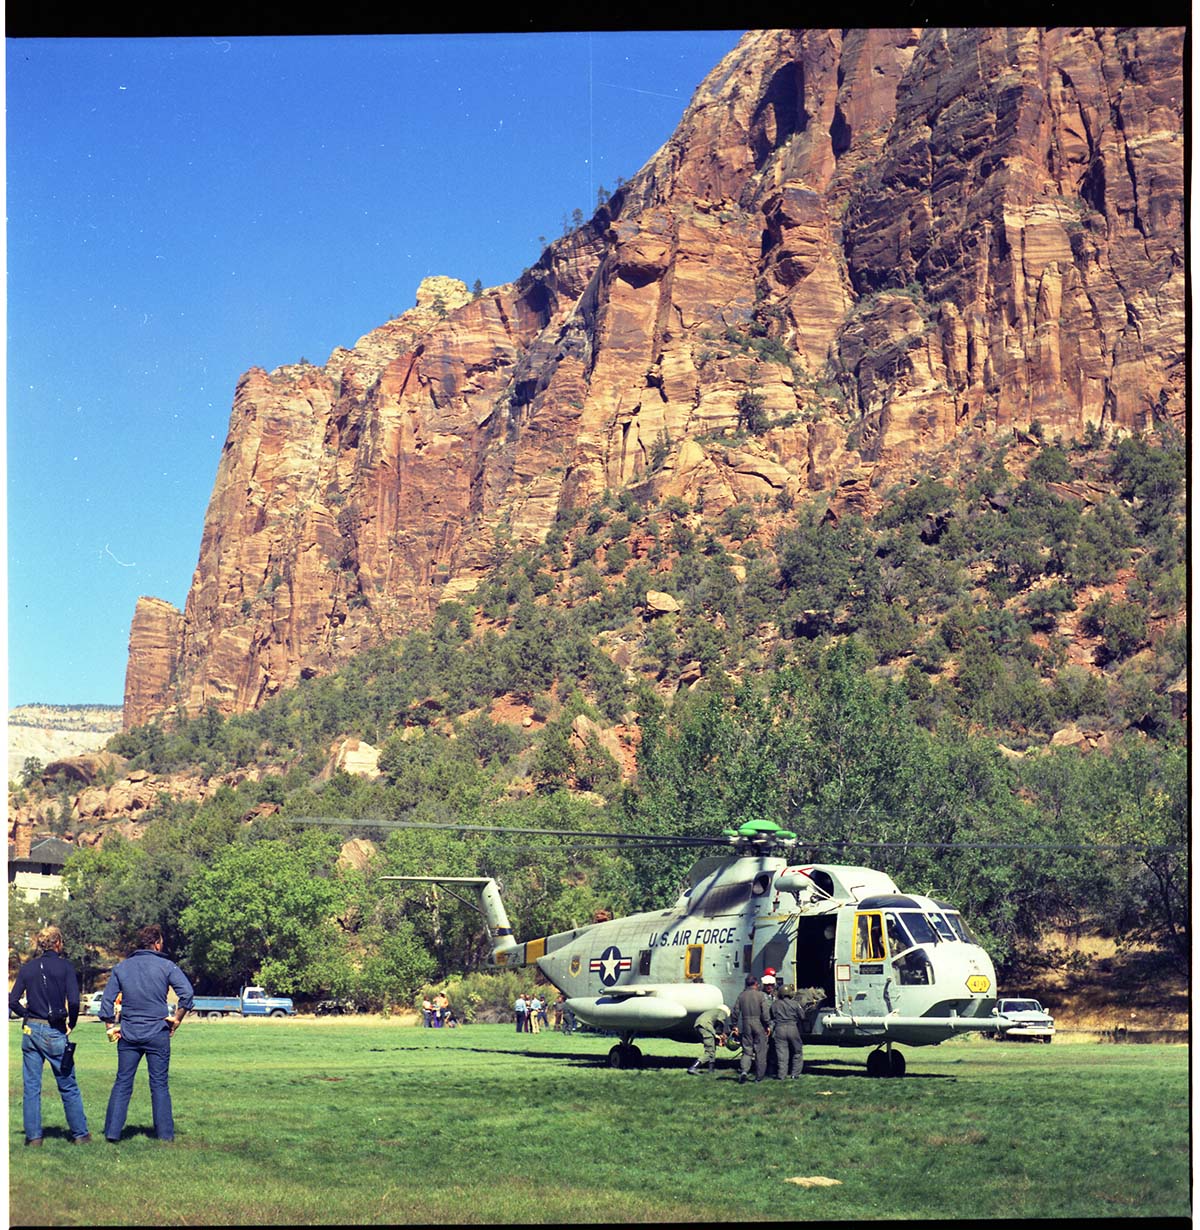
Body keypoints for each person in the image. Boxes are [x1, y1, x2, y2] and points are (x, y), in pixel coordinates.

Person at [99, 924, 194, 1143]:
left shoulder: (122, 967)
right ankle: (165, 1135)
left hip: (129, 1033)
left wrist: (110, 1027)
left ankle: (112, 1133)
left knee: (123, 1082)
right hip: (157, 1032)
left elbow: (107, 1001)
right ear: (157, 944)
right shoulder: (167, 966)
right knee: (159, 1084)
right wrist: (177, 1018)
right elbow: (187, 993)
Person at [8, 925, 91, 1146]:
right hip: (54, 1030)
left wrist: (27, 1015)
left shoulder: (28, 968)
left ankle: (34, 1138)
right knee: (68, 1084)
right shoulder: (65, 967)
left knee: (31, 1087)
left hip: (30, 1031)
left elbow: (12, 1001)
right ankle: (80, 1135)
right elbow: (74, 1001)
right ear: (58, 943)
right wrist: (71, 1023)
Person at [731, 975, 771, 1083]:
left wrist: (734, 1025)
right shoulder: (761, 995)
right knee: (760, 1051)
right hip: (758, 1024)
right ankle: (758, 1077)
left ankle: (744, 1071)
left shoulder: (741, 995)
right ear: (756, 984)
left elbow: (735, 1011)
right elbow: (765, 1013)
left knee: (747, 1050)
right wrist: (767, 1025)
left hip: (746, 1024)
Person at [768, 984, 806, 1078]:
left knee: (782, 1054)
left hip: (779, 1029)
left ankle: (781, 1075)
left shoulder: (774, 1004)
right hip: (793, 1028)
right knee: (797, 1052)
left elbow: (771, 1017)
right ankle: (795, 1074)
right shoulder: (795, 1004)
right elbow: (802, 1016)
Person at [686, 1003, 731, 1075]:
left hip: (699, 1026)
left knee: (712, 1048)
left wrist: (715, 1035)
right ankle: (693, 1068)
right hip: (706, 1027)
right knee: (709, 1052)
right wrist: (721, 1033)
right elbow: (720, 1021)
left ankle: (711, 1070)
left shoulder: (713, 1011)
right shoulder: (722, 1012)